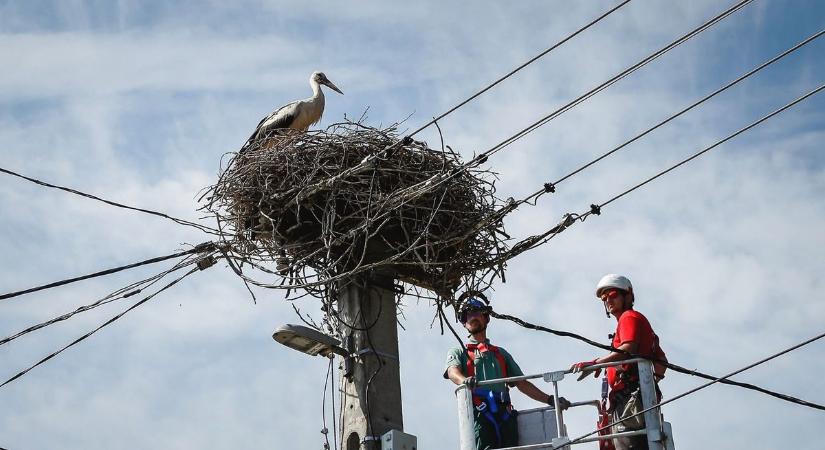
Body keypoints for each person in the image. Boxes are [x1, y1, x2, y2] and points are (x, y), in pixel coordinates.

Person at [445, 295, 570, 450]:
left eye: (477, 312)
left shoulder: (500, 354)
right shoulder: (460, 352)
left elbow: (522, 383)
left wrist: (550, 400)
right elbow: (452, 371)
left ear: (486, 318)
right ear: (464, 322)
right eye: (468, 315)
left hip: (505, 414)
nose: (473, 317)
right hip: (480, 414)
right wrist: (464, 380)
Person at [570, 274, 667, 450]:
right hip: (636, 398)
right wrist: (648, 385)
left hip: (629, 400)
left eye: (613, 295)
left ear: (628, 296)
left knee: (630, 445)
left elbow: (627, 349)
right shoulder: (636, 320)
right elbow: (661, 361)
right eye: (604, 299)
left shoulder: (628, 317)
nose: (608, 301)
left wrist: (595, 363)